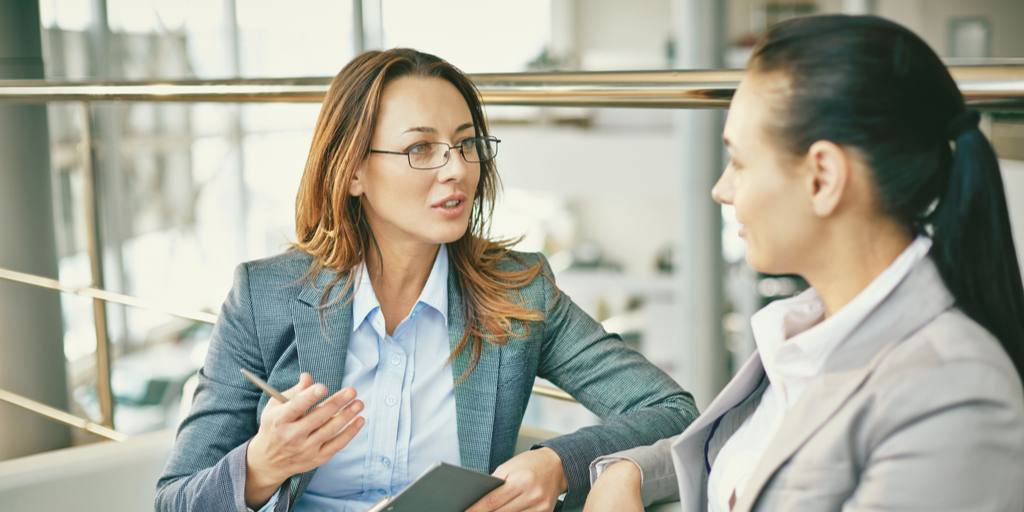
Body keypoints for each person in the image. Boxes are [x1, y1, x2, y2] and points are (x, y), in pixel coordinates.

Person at [155, 48, 697, 512]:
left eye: (466, 144)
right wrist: (260, 467)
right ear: (352, 172)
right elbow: (174, 499)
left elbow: (672, 411)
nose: (457, 168)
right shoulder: (262, 297)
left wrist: (558, 463)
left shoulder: (519, 292)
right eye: (421, 149)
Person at [584, 14, 1024, 512]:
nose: (721, 189)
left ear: (822, 178)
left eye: (740, 162)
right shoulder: (811, 331)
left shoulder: (953, 396)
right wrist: (630, 472)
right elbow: (756, 458)